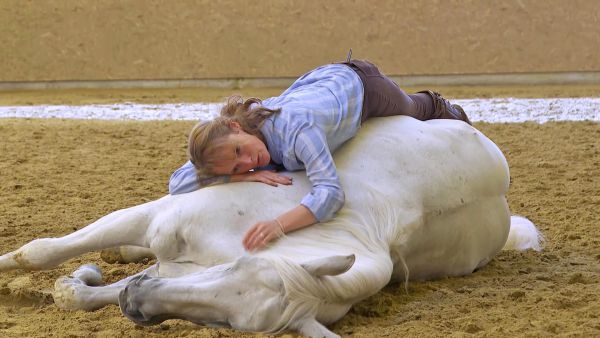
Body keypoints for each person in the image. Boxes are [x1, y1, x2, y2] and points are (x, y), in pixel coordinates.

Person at [169, 59, 471, 251]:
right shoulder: (240, 144)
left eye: (240, 152)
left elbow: (330, 193)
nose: (248, 162)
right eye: (237, 165)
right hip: (315, 86)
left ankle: (444, 107)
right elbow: (178, 183)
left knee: (412, 109)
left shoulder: (298, 131)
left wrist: (277, 225)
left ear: (236, 126)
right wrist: (238, 176)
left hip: (361, 85)